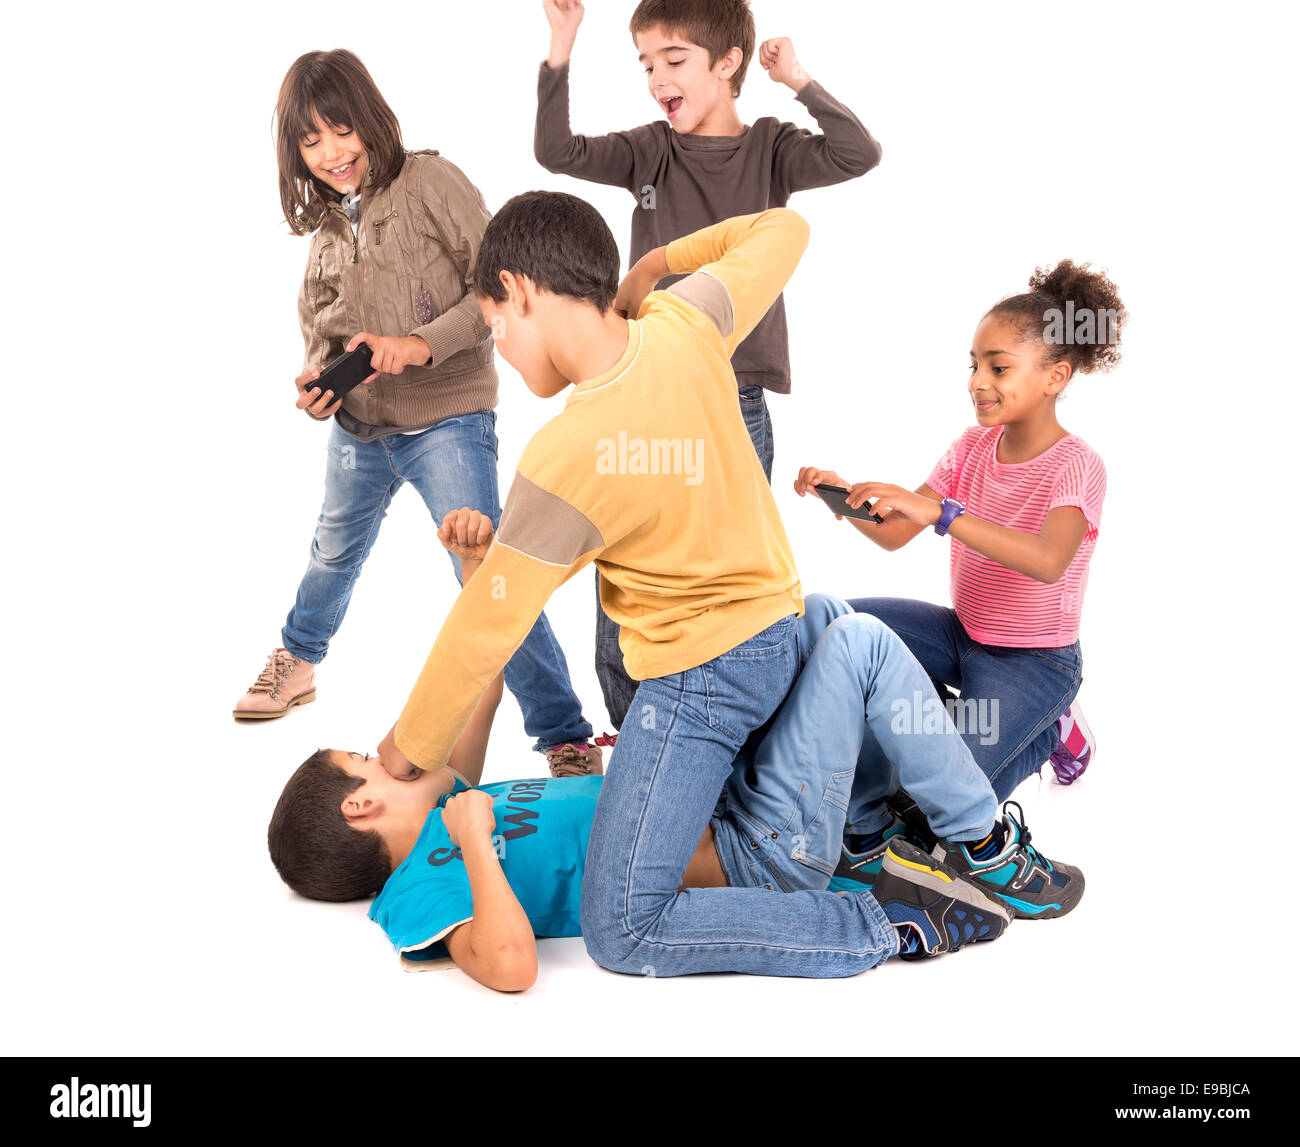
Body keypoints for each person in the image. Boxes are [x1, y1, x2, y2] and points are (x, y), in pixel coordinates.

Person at [368, 198, 1078, 977]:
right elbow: (785, 229)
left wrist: (408, 747)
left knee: (620, 928)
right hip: (778, 633)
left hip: (702, 683)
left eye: (495, 325)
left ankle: (875, 921)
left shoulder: (563, 453)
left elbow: (487, 625)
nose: (500, 350)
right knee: (836, 625)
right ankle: (927, 836)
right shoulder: (685, 320)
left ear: (519, 288)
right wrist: (653, 267)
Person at [268, 516, 1082, 989]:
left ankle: (889, 814)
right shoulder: (418, 891)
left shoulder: (453, 800)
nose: (391, 755)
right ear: (360, 803)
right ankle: (982, 844)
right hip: (758, 846)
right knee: (860, 644)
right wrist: (476, 843)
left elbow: (481, 681)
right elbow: (512, 965)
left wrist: (475, 568)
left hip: (731, 793)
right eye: (366, 760)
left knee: (821, 615)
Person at [231, 48, 595, 777]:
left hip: (448, 418)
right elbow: (324, 340)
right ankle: (297, 661)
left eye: (340, 131)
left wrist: (417, 346)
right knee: (333, 549)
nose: (331, 153)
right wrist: (316, 388)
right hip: (360, 428)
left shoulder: (431, 182)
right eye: (310, 141)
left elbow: (498, 288)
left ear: (368, 121)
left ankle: (564, 732)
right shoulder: (327, 236)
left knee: (487, 575)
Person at [535, 0, 883, 733]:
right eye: (645, 63)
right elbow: (556, 150)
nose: (658, 77)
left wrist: (798, 81)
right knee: (628, 559)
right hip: (646, 394)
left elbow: (859, 153)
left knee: (730, 578)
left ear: (729, 63)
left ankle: (735, 728)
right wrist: (561, 49)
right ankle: (633, 728)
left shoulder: (773, 150)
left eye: (675, 59)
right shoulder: (647, 154)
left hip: (735, 399)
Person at [795, 260, 1126, 797]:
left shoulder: (1077, 465)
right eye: (973, 366)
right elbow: (896, 531)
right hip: (961, 634)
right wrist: (847, 499)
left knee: (945, 799)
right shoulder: (969, 449)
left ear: (1055, 376)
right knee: (838, 629)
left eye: (998, 369)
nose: (977, 383)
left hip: (1034, 661)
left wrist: (946, 515)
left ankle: (1051, 727)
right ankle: (952, 711)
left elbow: (1048, 561)